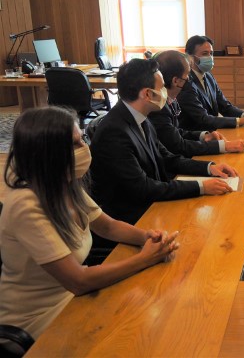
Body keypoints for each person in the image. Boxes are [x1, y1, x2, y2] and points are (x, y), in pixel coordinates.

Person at [0, 107, 179, 345]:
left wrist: (148, 237)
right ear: (48, 155)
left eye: (82, 139)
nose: (85, 148)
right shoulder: (26, 205)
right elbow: (78, 281)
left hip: (73, 299)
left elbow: (108, 227)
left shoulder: (65, 184)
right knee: (137, 333)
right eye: (75, 144)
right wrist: (145, 259)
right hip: (40, 319)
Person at [90, 58, 237, 229]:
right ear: (147, 94)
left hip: (153, 204)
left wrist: (209, 168)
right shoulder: (114, 132)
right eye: (161, 87)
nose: (166, 92)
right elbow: (143, 188)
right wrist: (201, 186)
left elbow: (168, 158)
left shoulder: (140, 117)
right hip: (133, 219)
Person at [148, 50, 244, 157]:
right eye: (187, 74)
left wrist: (204, 135)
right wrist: (224, 146)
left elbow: (177, 132)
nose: (189, 78)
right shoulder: (158, 108)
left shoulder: (171, 100)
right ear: (176, 81)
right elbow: (178, 146)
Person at [177, 35, 244, 130]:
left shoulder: (208, 76)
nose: (209, 57)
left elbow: (224, 106)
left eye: (211, 53)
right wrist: (240, 121)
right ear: (190, 57)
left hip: (214, 133)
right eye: (205, 53)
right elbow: (203, 118)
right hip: (196, 138)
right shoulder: (186, 83)